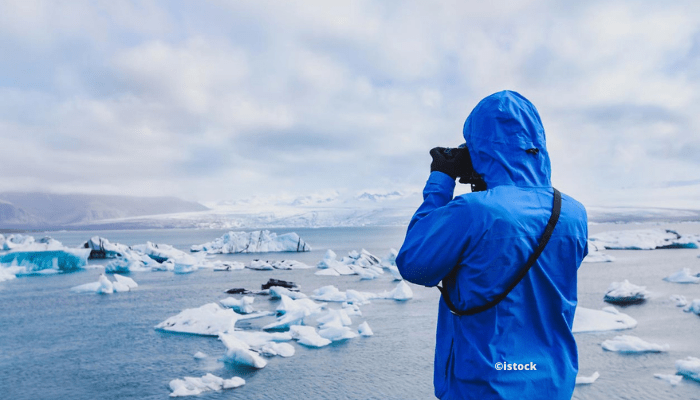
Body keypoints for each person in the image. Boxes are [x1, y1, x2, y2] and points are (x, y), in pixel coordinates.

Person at [396, 90, 588, 399]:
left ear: (480, 148)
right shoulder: (573, 212)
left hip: (485, 385)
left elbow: (415, 263)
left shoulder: (475, 211)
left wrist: (441, 179)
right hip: (553, 384)